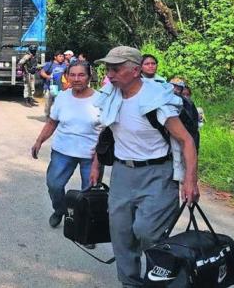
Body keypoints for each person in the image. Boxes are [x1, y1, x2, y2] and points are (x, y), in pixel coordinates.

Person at [90, 46, 199, 287]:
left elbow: (186, 140)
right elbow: (105, 133)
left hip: (157, 174)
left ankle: (165, 277)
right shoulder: (110, 96)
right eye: (108, 68)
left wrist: (190, 180)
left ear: (136, 70)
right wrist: (96, 165)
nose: (109, 73)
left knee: (147, 231)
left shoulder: (156, 99)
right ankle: (130, 283)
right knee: (121, 234)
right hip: (122, 173)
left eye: (116, 68)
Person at [31, 62, 101, 243]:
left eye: (81, 75)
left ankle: (87, 230)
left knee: (89, 194)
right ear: (67, 76)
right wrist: (39, 141)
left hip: (91, 155)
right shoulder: (62, 97)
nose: (77, 79)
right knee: (53, 184)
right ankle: (60, 209)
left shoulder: (101, 99)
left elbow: (107, 132)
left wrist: (98, 160)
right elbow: (52, 122)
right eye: (73, 75)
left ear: (89, 76)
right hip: (63, 151)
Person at [40, 51, 67, 118]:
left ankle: (56, 117)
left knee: (59, 103)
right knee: (48, 104)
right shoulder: (49, 64)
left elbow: (67, 74)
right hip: (50, 87)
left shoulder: (64, 65)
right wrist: (47, 77)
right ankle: (47, 115)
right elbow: (42, 72)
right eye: (60, 56)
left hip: (61, 88)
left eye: (62, 56)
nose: (62, 58)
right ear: (55, 57)